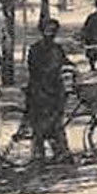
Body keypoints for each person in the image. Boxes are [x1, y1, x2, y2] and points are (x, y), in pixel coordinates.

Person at [24, 16, 72, 164]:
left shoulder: (58, 49)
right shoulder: (35, 49)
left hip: (56, 90)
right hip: (40, 90)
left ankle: (60, 152)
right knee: (40, 123)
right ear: (42, 31)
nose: (50, 33)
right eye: (47, 30)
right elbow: (34, 70)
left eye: (53, 31)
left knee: (57, 121)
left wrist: (73, 69)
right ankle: (39, 153)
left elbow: (65, 62)